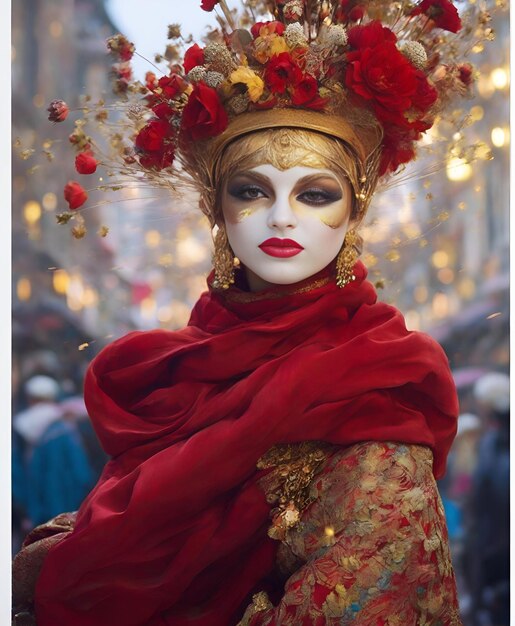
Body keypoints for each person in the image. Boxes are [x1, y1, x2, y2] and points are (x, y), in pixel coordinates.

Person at [13, 1, 494, 624]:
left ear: (353, 213)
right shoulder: (171, 379)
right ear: (218, 210)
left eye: (315, 194)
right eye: (251, 191)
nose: (282, 218)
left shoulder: (382, 382)